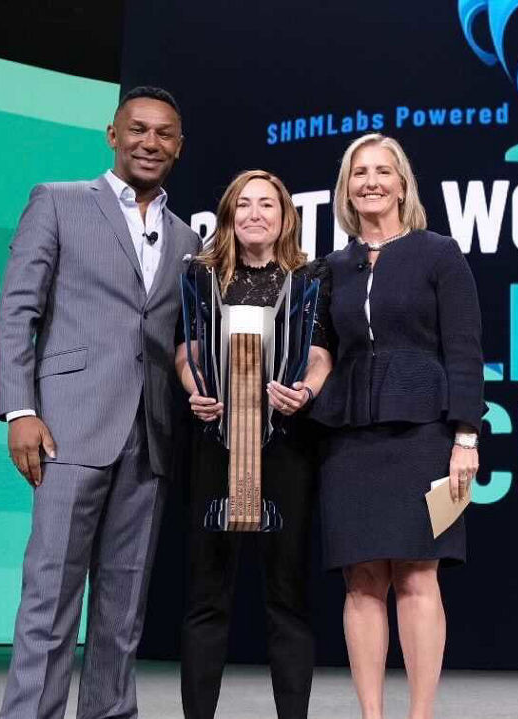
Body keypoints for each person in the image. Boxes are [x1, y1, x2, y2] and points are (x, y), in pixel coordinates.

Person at [0, 86, 201, 719]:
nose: (150, 143)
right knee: (50, 601)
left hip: (149, 439)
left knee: (123, 609)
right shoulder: (57, 202)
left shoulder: (187, 239)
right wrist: (20, 410)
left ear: (179, 146)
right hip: (67, 428)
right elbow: (17, 311)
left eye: (164, 134)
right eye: (137, 130)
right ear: (112, 134)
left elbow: (174, 343)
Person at [309, 134, 484, 719]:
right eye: (360, 172)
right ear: (346, 187)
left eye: (384, 171)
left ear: (403, 184)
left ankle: (420, 715)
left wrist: (465, 438)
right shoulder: (329, 269)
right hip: (350, 436)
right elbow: (319, 354)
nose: (371, 182)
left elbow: (464, 350)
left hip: (424, 435)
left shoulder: (439, 254)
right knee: (361, 580)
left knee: (416, 574)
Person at [175, 170, 334, 719]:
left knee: (287, 596)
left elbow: (319, 352)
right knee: (206, 595)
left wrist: (305, 391)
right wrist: (196, 389)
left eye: (267, 204)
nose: (254, 214)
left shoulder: (312, 278)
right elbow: (186, 348)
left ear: (286, 215)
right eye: (242, 205)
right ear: (228, 216)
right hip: (215, 443)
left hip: (287, 447)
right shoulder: (199, 277)